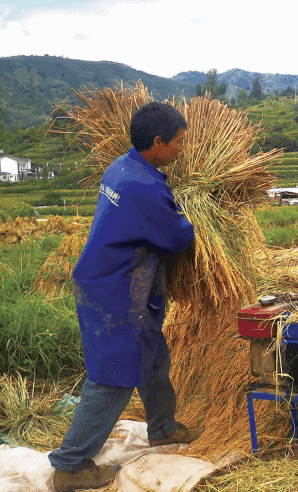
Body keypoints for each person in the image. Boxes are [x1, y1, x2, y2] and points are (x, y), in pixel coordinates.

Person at [50, 102, 201, 492]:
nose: (182, 150)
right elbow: (181, 236)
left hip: (123, 280)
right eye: (179, 143)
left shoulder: (124, 165)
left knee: (152, 352)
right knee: (113, 378)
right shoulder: (144, 187)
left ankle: (163, 428)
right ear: (157, 143)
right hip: (116, 290)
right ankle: (69, 466)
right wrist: (188, 213)